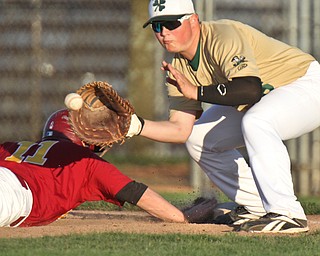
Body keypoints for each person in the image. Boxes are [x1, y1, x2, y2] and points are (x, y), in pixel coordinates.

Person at [128, 0, 320, 233]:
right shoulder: (179, 64)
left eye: (170, 23)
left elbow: (250, 88)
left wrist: (196, 91)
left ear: (193, 20)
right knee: (198, 139)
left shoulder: (222, 35)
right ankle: (256, 206)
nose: (164, 33)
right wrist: (134, 125)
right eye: (157, 27)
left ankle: (287, 213)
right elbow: (181, 129)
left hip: (305, 83)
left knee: (258, 121)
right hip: (263, 99)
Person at [0, 109, 190, 227]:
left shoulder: (13, 146)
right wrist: (183, 217)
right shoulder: (83, 160)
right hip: (15, 194)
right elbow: (135, 192)